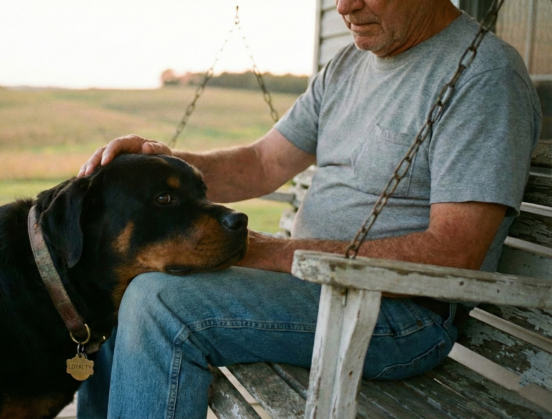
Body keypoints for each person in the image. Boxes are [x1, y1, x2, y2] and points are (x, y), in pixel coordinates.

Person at [76, 0, 542, 418]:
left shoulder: (483, 76)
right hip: (309, 290)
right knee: (125, 271)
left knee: (159, 304)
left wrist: (270, 253)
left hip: (395, 317)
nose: (344, 7)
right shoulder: (347, 65)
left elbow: (455, 252)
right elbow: (261, 163)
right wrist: (158, 167)